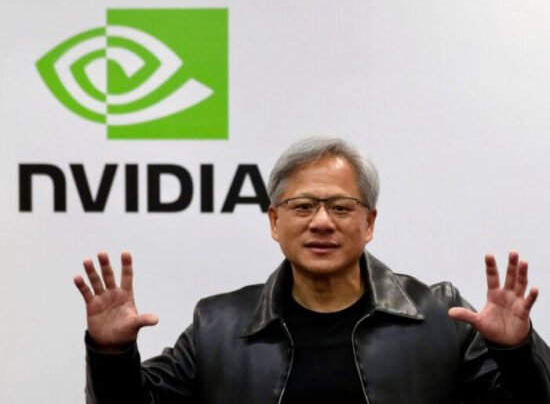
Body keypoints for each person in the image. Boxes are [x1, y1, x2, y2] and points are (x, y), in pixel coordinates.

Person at [75, 137, 550, 404]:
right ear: (274, 222)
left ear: (369, 223)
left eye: (341, 207)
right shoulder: (217, 326)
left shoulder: (439, 317)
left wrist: (515, 352)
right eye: (302, 206)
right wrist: (111, 354)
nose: (321, 222)